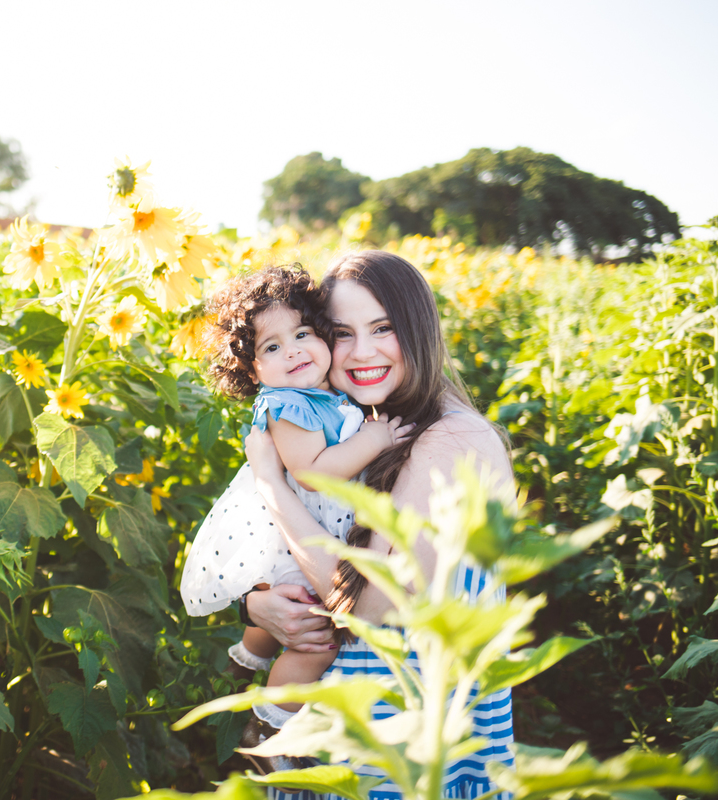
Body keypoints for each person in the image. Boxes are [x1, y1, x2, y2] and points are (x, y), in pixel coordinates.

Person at [242, 250, 516, 800]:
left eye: (383, 328)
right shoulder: (368, 427)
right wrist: (257, 604)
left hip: (406, 752)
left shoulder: (450, 439)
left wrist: (270, 483)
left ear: (417, 329)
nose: (362, 352)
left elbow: (372, 603)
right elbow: (324, 554)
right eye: (342, 332)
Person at [179, 264, 410, 758]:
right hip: (294, 533)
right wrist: (375, 438)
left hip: (308, 528)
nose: (294, 351)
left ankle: (245, 659)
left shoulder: (323, 395)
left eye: (303, 333)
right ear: (253, 371)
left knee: (286, 610)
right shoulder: (289, 406)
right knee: (315, 637)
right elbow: (313, 474)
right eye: (272, 348)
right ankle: (270, 725)